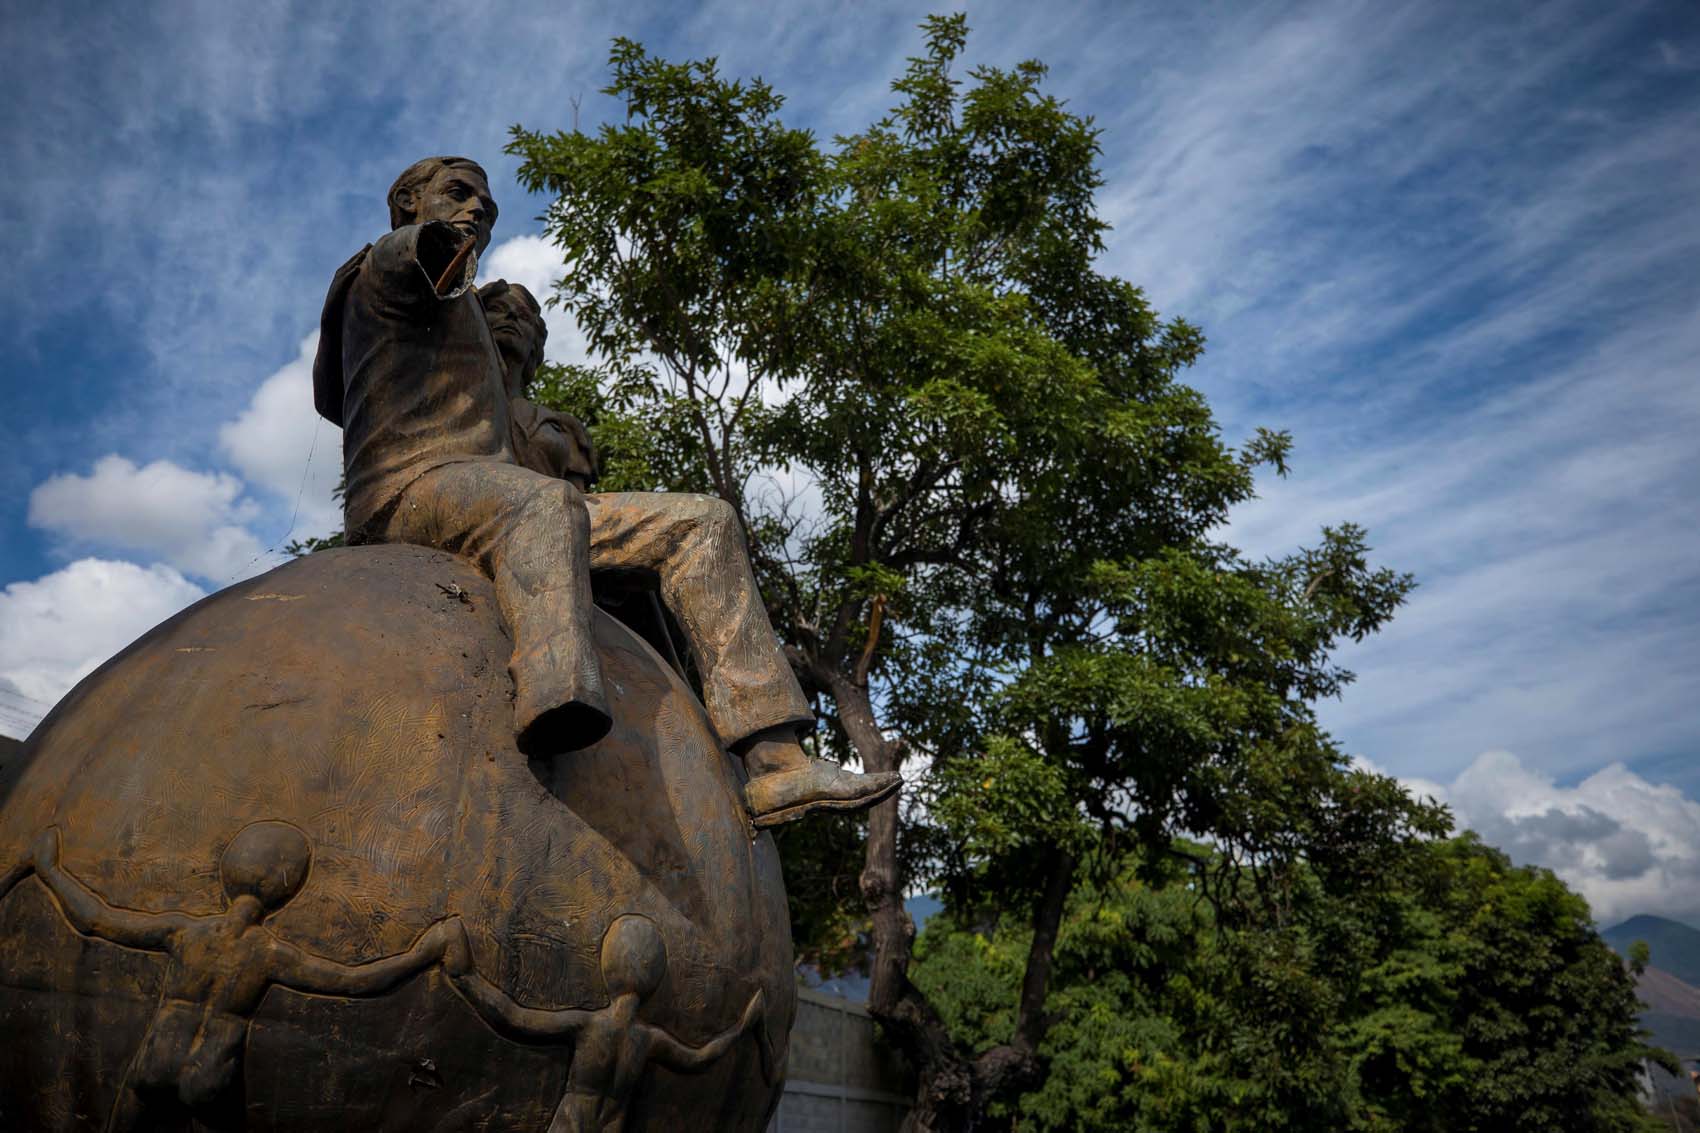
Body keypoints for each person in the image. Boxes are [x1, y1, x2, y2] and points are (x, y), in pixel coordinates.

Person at [314, 156, 895, 825]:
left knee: (702, 521)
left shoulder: (474, 328)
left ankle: (775, 763)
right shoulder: (385, 267)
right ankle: (555, 694)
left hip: (481, 491)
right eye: (458, 194)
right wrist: (433, 244)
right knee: (544, 503)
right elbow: (412, 259)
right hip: (410, 491)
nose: (477, 210)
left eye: (487, 204)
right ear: (408, 200)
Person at [479, 281, 900, 827]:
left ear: (539, 344)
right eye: (496, 311)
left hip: (563, 527)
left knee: (702, 527)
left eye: (524, 316)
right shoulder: (455, 394)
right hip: (487, 514)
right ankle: (772, 759)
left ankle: (763, 754)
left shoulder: (559, 425)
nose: (511, 319)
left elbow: (585, 501)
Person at [29, 822, 458, 1132]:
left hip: (157, 1058)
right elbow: (352, 981)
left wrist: (49, 870)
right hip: (211, 1073)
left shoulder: (185, 932)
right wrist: (422, 955)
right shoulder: (270, 954)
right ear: (287, 887)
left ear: (227, 873)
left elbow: (95, 920)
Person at [443, 913, 772, 1133]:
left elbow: (515, 1017)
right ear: (655, 978)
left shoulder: (589, 1025)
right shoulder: (648, 1040)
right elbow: (700, 1057)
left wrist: (468, 979)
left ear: (608, 967)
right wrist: (743, 1025)